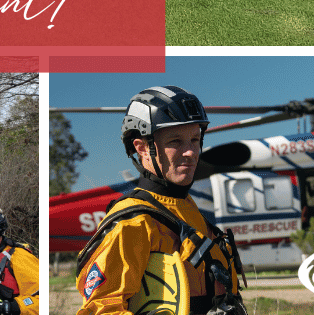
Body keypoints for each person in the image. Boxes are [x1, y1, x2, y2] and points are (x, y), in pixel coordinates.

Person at [76, 86, 245, 315]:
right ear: (142, 148)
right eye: (175, 141)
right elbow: (102, 309)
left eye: (195, 140)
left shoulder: (186, 209)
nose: (190, 152)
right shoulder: (134, 222)